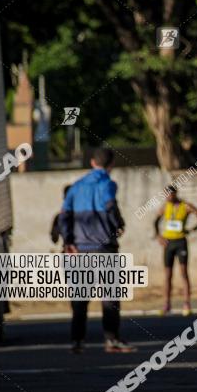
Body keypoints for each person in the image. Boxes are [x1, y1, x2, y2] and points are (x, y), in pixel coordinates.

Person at [59, 147, 135, 354]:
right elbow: (110, 207)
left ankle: (77, 341)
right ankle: (111, 339)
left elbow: (63, 215)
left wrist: (68, 241)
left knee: (80, 296)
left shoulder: (76, 186)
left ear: (92, 162)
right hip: (104, 248)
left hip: (81, 248)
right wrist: (119, 224)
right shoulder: (108, 184)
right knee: (110, 295)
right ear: (111, 165)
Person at [154, 185, 197, 316]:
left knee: (184, 272)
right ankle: (166, 305)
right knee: (167, 275)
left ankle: (186, 304)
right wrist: (159, 236)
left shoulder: (185, 206)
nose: (168, 197)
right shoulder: (165, 207)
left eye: (170, 194)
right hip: (168, 243)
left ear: (175, 194)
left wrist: (191, 230)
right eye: (166, 195)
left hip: (180, 242)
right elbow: (155, 222)